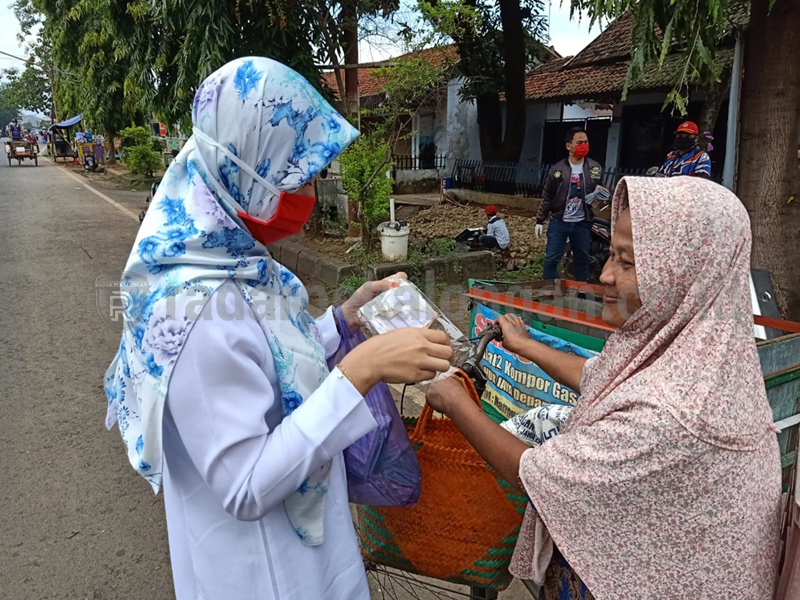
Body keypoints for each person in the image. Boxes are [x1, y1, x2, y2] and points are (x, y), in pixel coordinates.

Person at [104, 57, 453, 600]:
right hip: (263, 572)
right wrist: (359, 373)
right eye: (299, 176)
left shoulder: (225, 256)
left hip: (296, 545)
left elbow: (265, 357)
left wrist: (344, 321)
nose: (310, 194)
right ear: (247, 168)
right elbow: (245, 485)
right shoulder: (194, 310)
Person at [426, 176, 782, 599]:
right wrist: (526, 345)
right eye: (611, 255)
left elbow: (532, 473)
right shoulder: (704, 351)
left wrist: (456, 402)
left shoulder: (668, 414)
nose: (606, 275)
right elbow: (600, 376)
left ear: (682, 275)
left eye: (628, 263)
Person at [535, 127, 603, 282]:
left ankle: (581, 293)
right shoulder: (557, 170)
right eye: (579, 142)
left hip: (582, 223)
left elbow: (600, 190)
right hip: (559, 221)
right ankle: (548, 291)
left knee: (582, 260)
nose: (584, 145)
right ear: (569, 146)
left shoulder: (594, 168)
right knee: (552, 259)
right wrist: (540, 220)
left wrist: (600, 198)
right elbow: (547, 197)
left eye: (586, 142)